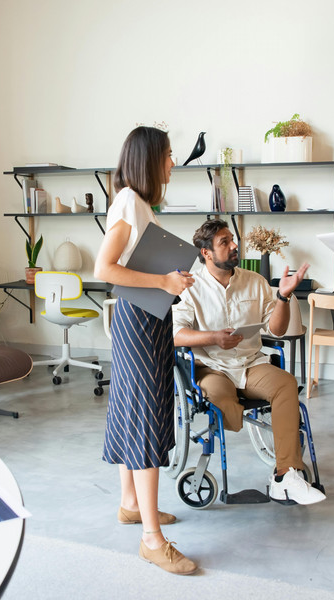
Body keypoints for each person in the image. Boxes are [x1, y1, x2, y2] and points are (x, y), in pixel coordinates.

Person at [94, 126, 197, 575]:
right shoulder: (128, 203)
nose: (173, 163)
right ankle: (152, 540)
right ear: (150, 159)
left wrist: (169, 279)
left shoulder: (140, 205)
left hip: (147, 317)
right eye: (169, 156)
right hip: (139, 319)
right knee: (145, 417)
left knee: (135, 410)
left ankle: (131, 504)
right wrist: (163, 281)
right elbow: (104, 268)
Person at [172, 219, 326, 506]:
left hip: (250, 363)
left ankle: (285, 476)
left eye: (233, 240)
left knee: (286, 384)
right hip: (212, 367)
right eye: (224, 242)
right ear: (206, 253)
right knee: (220, 396)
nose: (234, 246)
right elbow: (176, 334)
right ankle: (264, 426)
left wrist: (283, 296)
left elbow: (277, 330)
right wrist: (213, 337)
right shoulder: (191, 287)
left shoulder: (255, 282)